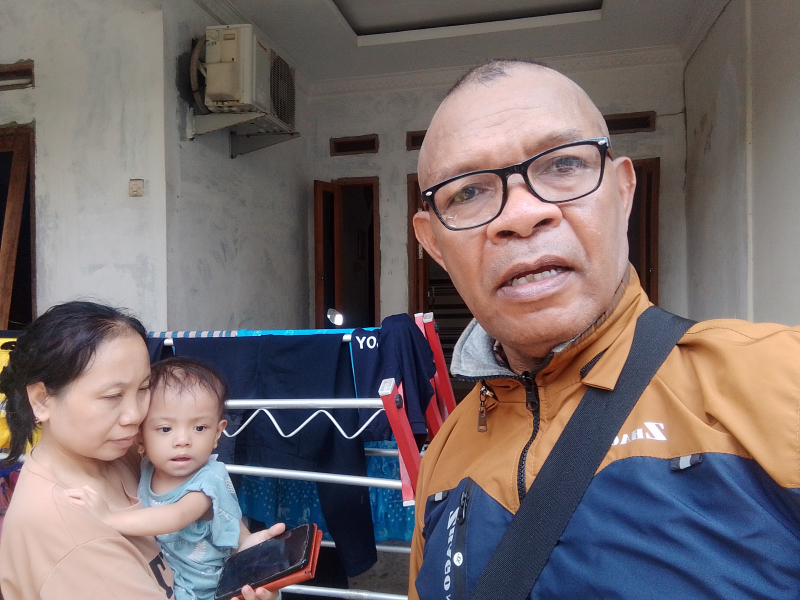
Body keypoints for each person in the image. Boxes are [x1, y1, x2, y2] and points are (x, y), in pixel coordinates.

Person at [409, 59, 800, 599]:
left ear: (622, 191)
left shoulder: (781, 380)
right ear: (433, 244)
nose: (520, 215)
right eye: (468, 192)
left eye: (563, 164)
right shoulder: (444, 457)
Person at [0, 301, 282, 600]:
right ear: (42, 400)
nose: (135, 414)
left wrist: (244, 559)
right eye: (113, 395)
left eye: (144, 388)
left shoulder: (127, 454)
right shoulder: (66, 532)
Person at [64, 356, 268, 600]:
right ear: (140, 437)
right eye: (165, 429)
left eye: (199, 428)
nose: (183, 440)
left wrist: (108, 517)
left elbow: (176, 516)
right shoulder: (147, 467)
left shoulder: (209, 479)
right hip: (171, 583)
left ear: (217, 433)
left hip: (209, 590)